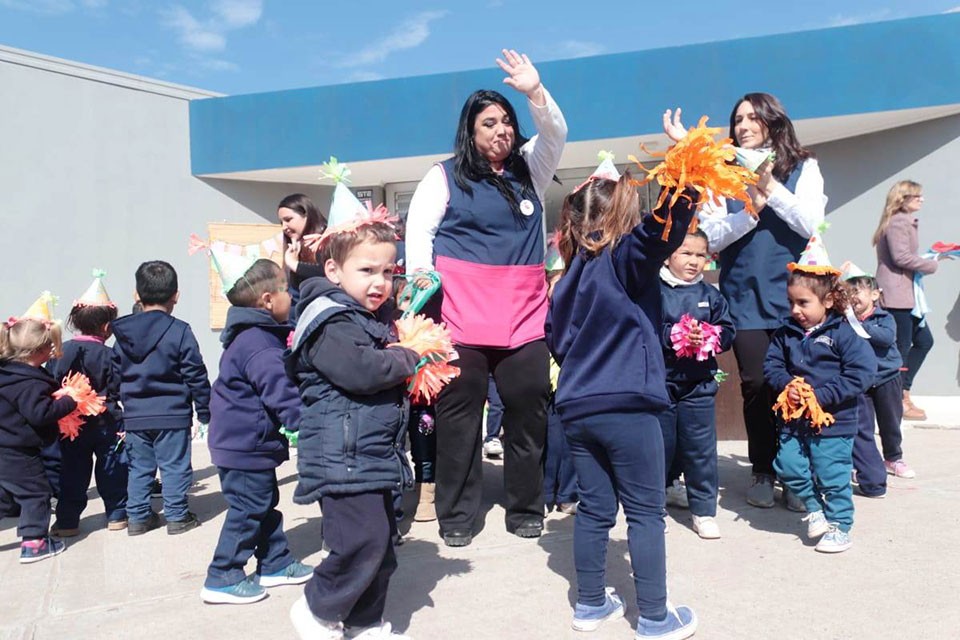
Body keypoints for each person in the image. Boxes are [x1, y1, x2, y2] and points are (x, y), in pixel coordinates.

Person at [405, 49, 567, 546]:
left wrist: (535, 92)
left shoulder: (532, 171)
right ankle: (456, 515)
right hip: (459, 316)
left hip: (523, 317)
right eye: (488, 123)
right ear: (470, 133)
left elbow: (556, 131)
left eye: (506, 122)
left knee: (528, 410)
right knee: (458, 420)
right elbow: (419, 233)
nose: (500, 130)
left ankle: (524, 506)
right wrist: (418, 280)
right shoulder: (444, 175)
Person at [545, 145, 698, 638]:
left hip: (577, 407)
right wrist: (686, 165)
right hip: (628, 407)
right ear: (624, 217)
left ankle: (590, 605)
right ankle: (654, 616)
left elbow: (559, 342)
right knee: (646, 513)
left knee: (594, 507)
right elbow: (664, 227)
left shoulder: (567, 281)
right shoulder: (627, 258)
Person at [286, 222, 420, 640]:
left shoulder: (368, 319)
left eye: (388, 271)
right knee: (359, 543)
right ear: (333, 270)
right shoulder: (330, 320)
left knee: (380, 545)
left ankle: (364, 623)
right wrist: (406, 359)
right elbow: (361, 371)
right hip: (341, 456)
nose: (380, 282)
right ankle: (317, 608)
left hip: (370, 453)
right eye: (367, 271)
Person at [694, 93, 826, 509]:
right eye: (737, 119)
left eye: (753, 117)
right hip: (744, 295)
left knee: (797, 382)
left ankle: (796, 474)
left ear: (773, 122)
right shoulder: (720, 173)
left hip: (794, 295)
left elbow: (809, 221)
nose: (744, 125)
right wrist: (748, 213)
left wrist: (770, 187)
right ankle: (763, 470)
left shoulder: (803, 166)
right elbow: (709, 237)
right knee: (755, 384)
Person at [201, 259, 313, 605]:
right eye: (285, 290)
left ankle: (275, 562)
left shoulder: (253, 336)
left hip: (247, 442)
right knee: (248, 509)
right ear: (266, 300)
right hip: (244, 444)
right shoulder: (259, 343)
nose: (291, 298)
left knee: (263, 505)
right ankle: (223, 574)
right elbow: (280, 390)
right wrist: (303, 425)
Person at [764, 244, 876, 554]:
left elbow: (861, 373)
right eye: (791, 302)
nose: (795, 310)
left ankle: (840, 526)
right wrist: (788, 385)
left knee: (832, 474)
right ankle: (814, 508)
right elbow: (771, 366)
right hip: (793, 417)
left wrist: (819, 396)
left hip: (834, 422)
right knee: (786, 464)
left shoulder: (844, 333)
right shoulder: (786, 333)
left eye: (803, 303)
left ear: (827, 301)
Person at [112, 260, 211, 536]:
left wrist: (116, 409)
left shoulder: (122, 334)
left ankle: (138, 518)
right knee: (175, 466)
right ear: (176, 295)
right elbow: (195, 374)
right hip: (173, 413)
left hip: (135, 415)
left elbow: (114, 373)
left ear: (136, 295)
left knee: (139, 468)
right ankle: (177, 516)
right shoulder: (180, 331)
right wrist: (204, 409)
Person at [657, 230, 735, 539]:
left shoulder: (711, 295)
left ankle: (703, 509)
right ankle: (656, 503)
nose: (694, 261)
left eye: (701, 255)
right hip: (660, 383)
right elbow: (644, 328)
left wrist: (711, 337)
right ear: (667, 256)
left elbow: (728, 330)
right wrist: (671, 334)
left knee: (700, 447)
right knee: (661, 446)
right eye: (686, 253)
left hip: (699, 384)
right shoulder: (653, 291)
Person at [47, 271, 128, 537]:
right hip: (107, 422)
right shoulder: (110, 354)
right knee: (112, 469)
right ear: (107, 327)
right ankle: (117, 515)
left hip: (71, 425)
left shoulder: (61, 352)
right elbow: (118, 388)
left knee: (71, 473)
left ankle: (68, 521)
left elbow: (50, 384)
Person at [0, 309, 77, 564]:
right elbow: (39, 414)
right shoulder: (29, 383)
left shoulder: (8, 375)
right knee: (35, 494)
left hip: (4, 448)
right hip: (20, 452)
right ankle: (34, 543)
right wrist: (68, 402)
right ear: (41, 351)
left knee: (8, 495)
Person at [873, 180, 942, 422]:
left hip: (903, 294)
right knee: (901, 349)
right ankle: (898, 402)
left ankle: (902, 393)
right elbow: (901, 257)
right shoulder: (899, 221)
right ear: (903, 198)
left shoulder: (900, 221)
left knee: (923, 341)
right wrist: (931, 264)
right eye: (917, 196)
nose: (921, 200)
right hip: (896, 294)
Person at [843, 263, 905, 493]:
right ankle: (864, 464)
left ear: (875, 294)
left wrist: (856, 325)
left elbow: (886, 338)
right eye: (848, 293)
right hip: (863, 381)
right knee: (862, 426)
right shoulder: (846, 320)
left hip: (887, 377)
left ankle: (893, 456)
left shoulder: (884, 318)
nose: (852, 297)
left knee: (890, 421)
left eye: (857, 291)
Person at [542, 247, 577, 515]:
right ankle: (544, 494)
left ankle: (567, 494)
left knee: (569, 444)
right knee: (548, 443)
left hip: (572, 386)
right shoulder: (538, 317)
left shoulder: (578, 316)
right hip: (546, 389)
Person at [279, 193, 328, 318]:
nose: (284, 227)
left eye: (288, 220)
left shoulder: (328, 240)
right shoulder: (295, 247)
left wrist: (296, 265)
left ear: (306, 215)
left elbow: (330, 273)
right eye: (281, 222)